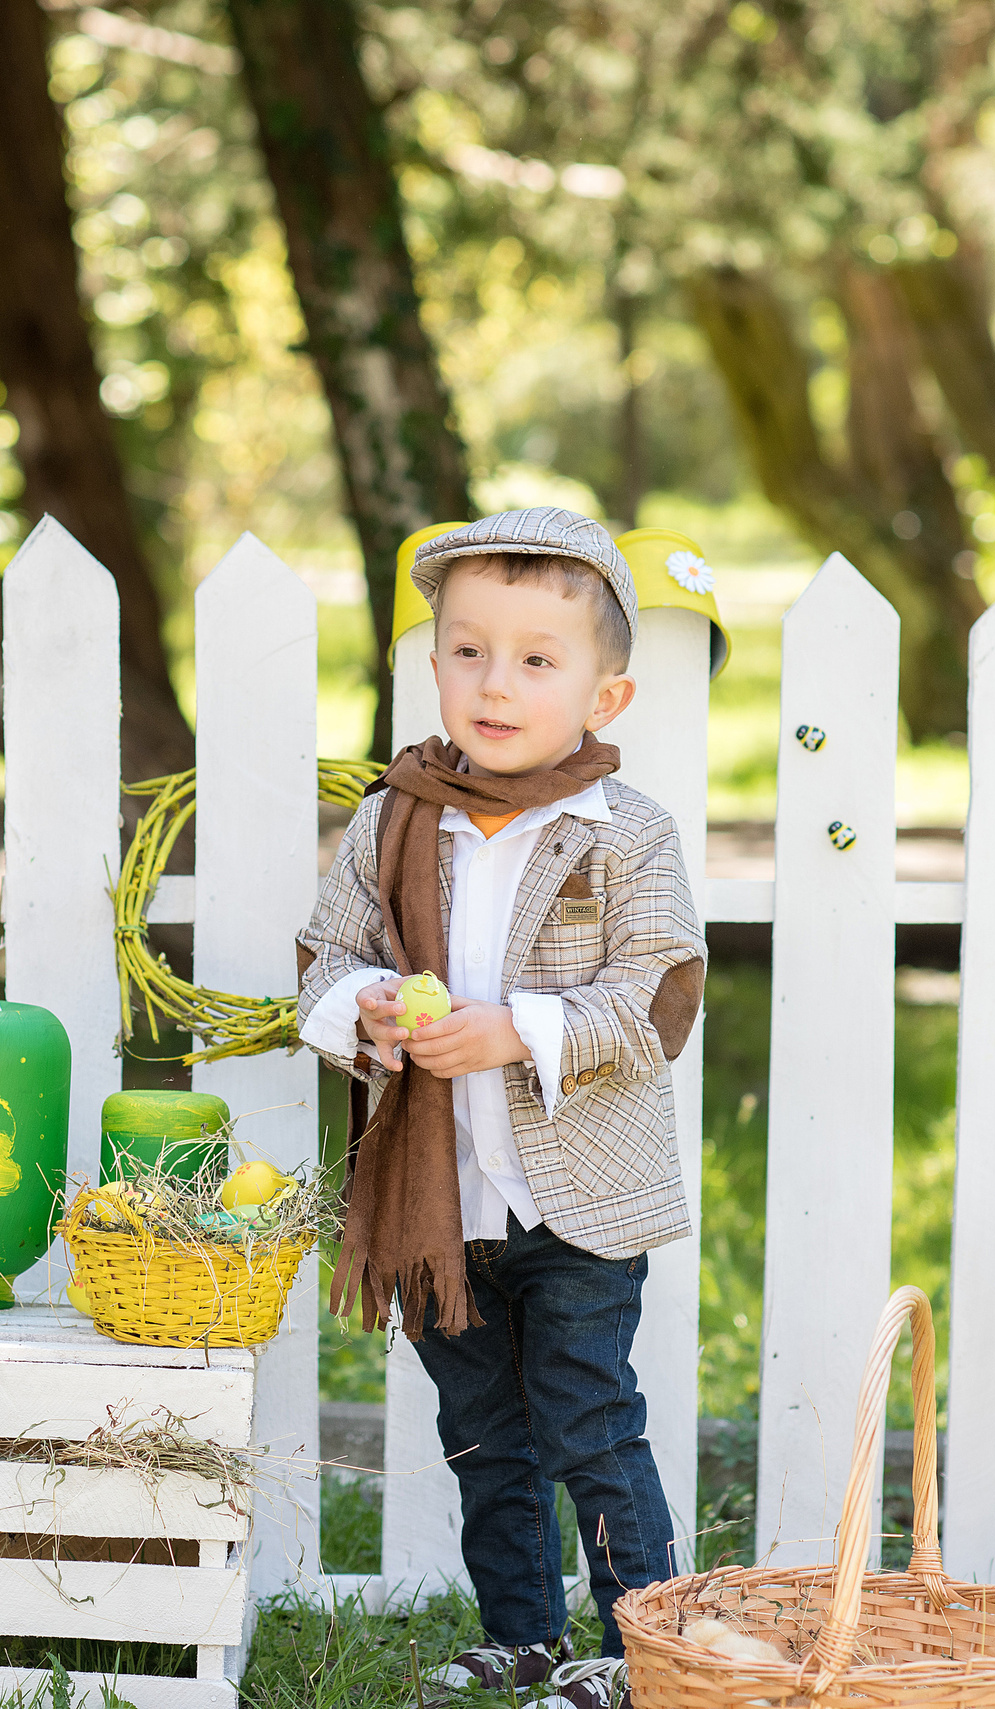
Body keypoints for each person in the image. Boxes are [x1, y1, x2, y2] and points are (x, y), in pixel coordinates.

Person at [297, 507, 706, 1709]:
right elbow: (324, 956)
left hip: (578, 1201)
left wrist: (516, 1026)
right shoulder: (395, 813)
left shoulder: (622, 834)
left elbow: (658, 999)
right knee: (482, 1430)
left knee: (590, 1422)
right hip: (445, 1200)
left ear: (605, 694)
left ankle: (640, 1653)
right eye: (468, 650)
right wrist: (368, 1007)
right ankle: (524, 1632)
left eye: (538, 658)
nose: (496, 681)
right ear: (432, 667)